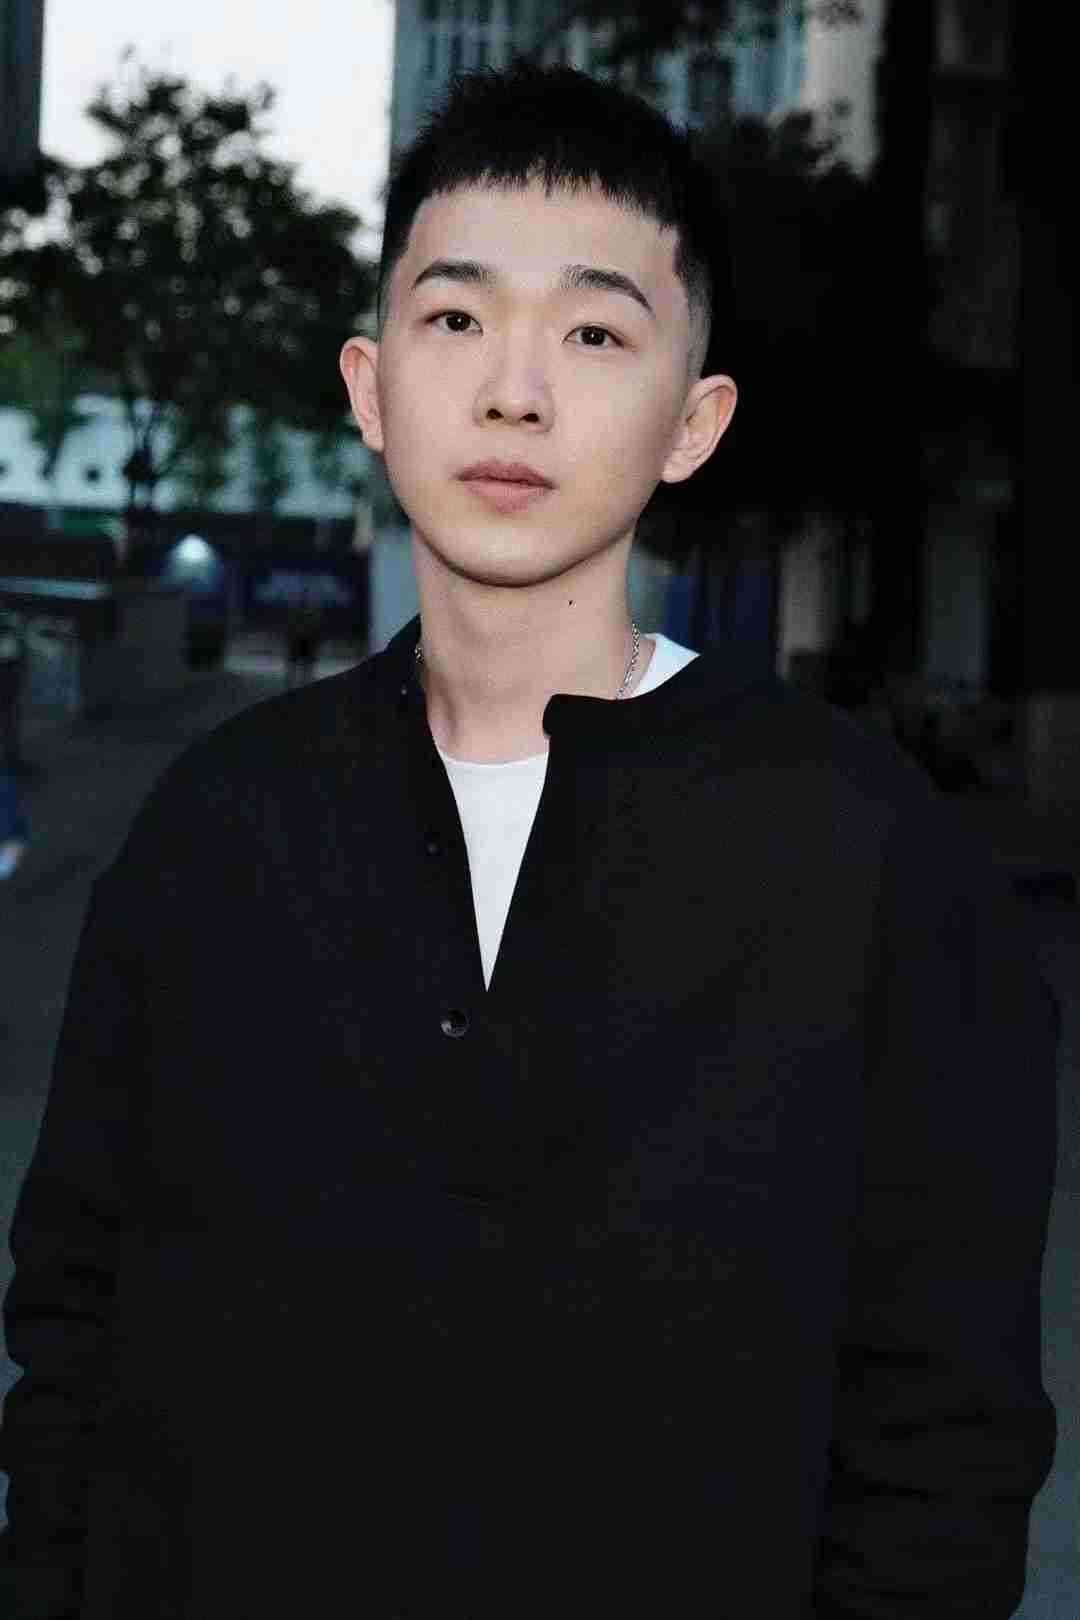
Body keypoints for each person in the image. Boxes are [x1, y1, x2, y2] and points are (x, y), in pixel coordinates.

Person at [0, 60, 1058, 1620]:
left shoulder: (875, 859)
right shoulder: (213, 829)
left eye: (594, 333)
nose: (514, 391)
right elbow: (74, 1330)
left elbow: (942, 1443)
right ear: (370, 387)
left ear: (693, 422)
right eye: (456, 318)